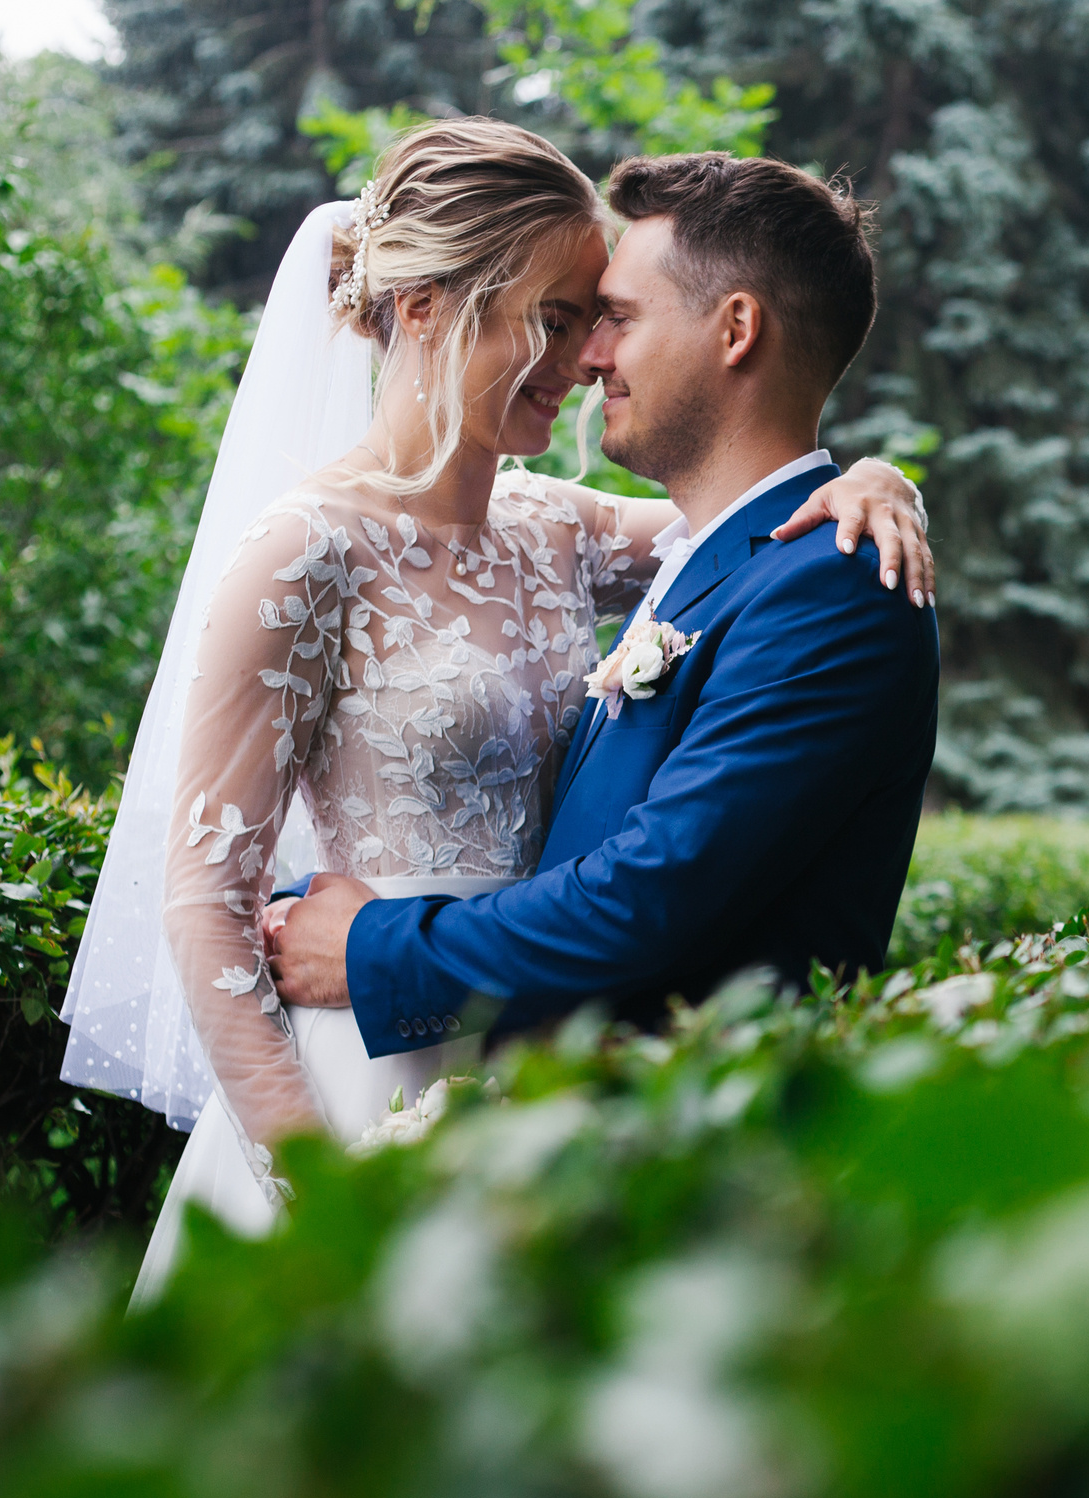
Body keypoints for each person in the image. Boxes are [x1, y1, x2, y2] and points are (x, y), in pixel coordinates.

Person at [57, 120, 936, 1302]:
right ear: (423, 312)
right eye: (559, 316)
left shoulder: (554, 529)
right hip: (355, 1080)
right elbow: (204, 905)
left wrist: (875, 480)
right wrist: (325, 1190)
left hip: (529, 1075)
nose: (581, 359)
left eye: (600, 318)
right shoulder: (304, 553)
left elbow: (748, 534)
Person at [266, 150, 940, 1079]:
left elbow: (647, 898)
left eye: (616, 318)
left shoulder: (832, 591)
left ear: (736, 328)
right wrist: (880, 473)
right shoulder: (711, 558)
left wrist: (371, 945)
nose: (585, 358)